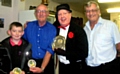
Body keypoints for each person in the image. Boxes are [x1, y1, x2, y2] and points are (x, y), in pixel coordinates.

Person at [83, 1, 120, 74]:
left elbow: (118, 45)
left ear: (99, 12)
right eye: (88, 11)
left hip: (107, 68)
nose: (91, 13)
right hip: (89, 68)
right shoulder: (84, 29)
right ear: (85, 14)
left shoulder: (110, 25)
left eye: (93, 10)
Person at [53, 3, 88, 74]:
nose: (62, 16)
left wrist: (64, 53)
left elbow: (83, 53)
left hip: (76, 67)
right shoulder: (55, 27)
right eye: (59, 14)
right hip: (61, 67)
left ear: (70, 15)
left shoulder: (78, 30)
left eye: (65, 13)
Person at [22, 4, 56, 74]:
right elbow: (23, 43)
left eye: (43, 11)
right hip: (30, 62)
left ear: (48, 14)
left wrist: (42, 68)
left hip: (46, 63)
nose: (41, 14)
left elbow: (49, 50)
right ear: (35, 14)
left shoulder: (52, 29)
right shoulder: (29, 26)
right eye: (38, 11)